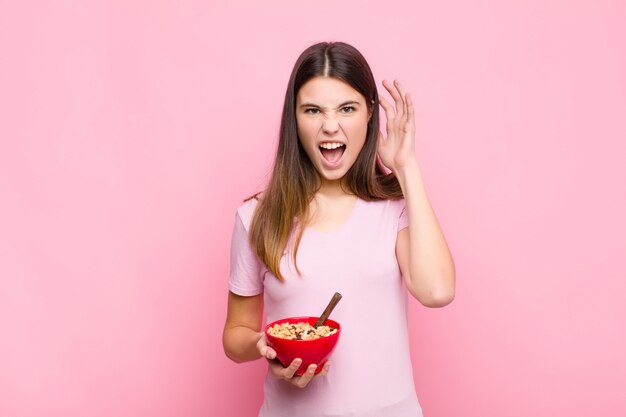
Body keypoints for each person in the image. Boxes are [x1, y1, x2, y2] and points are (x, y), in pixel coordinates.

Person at [222, 41, 455, 417]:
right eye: (313, 110)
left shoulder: (395, 207)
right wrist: (265, 346)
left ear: (369, 115)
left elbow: (438, 291)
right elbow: (235, 335)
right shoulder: (257, 216)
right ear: (294, 119)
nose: (330, 125)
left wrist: (406, 166)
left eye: (347, 108)